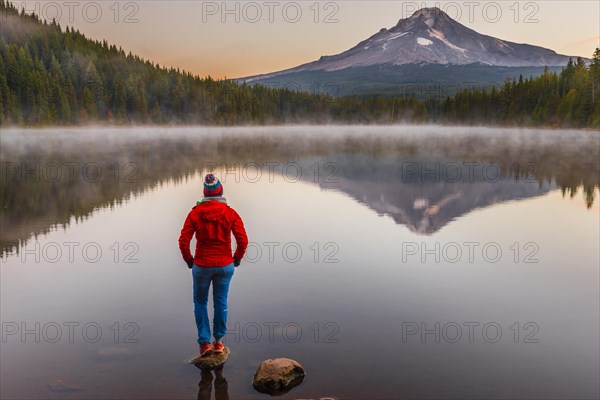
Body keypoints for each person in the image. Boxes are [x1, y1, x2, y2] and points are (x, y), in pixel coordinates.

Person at [179, 174, 248, 357]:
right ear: (221, 192)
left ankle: (204, 344)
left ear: (205, 194)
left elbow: (183, 242)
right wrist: (237, 258)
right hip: (225, 265)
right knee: (221, 302)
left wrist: (189, 260)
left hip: (202, 265)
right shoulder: (230, 213)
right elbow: (243, 241)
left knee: (200, 302)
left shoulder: (195, 213)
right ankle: (218, 342)